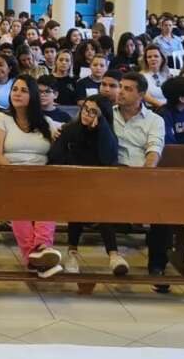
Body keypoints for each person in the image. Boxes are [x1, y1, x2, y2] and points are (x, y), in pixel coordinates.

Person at [0, 75, 62, 277]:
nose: (17, 93)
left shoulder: (46, 122)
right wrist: (18, 175)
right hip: (9, 174)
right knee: (19, 200)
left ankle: (40, 251)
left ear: (33, 96)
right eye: (15, 89)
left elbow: (57, 151)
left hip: (41, 177)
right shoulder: (0, 118)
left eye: (24, 90)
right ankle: (35, 255)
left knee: (51, 197)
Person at [48, 94, 128, 276]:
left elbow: (108, 159)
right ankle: (73, 251)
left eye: (93, 112)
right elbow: (55, 156)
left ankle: (113, 255)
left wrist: (101, 130)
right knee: (82, 199)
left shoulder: (107, 133)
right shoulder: (70, 129)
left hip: (98, 186)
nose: (87, 114)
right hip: (71, 182)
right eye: (86, 109)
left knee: (98, 201)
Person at [113, 72, 171, 291]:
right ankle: (113, 254)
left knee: (163, 211)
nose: (121, 92)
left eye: (128, 89)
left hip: (142, 177)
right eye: (121, 87)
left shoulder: (155, 121)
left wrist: (145, 175)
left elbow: (154, 150)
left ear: (141, 95)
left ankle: (157, 267)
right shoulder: (108, 115)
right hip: (111, 177)